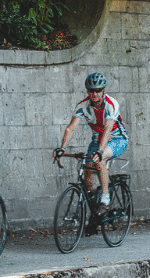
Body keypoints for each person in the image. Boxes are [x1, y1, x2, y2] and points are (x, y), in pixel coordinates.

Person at [54, 73, 129, 214]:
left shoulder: (111, 104)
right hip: (97, 140)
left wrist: (101, 152)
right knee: (87, 168)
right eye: (91, 91)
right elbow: (71, 128)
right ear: (87, 91)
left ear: (104, 90)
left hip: (117, 139)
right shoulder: (82, 106)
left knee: (100, 160)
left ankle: (106, 199)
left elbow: (107, 128)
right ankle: (94, 199)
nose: (94, 94)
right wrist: (62, 148)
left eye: (98, 90)